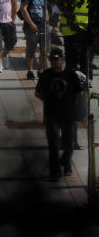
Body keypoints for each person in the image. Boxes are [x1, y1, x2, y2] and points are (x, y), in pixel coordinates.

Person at [35, 50, 83, 180]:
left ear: (62, 59)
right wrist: (50, 101)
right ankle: (55, 171)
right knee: (54, 145)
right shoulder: (46, 74)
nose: (54, 62)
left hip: (69, 115)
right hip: (52, 115)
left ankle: (66, 163)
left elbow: (79, 93)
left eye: (57, 59)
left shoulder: (71, 74)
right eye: (52, 60)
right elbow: (38, 93)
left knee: (70, 144)